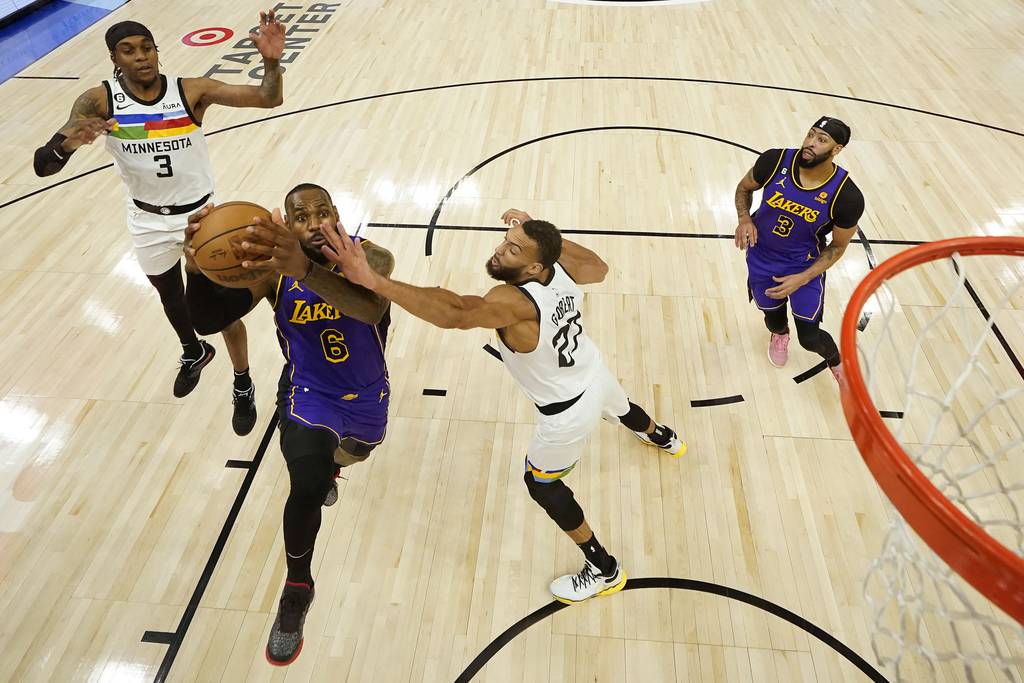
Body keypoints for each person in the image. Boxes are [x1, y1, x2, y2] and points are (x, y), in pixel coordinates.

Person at [319, 208, 685, 605]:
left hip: (566, 411)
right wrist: (538, 232)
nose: (499, 250)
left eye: (513, 249)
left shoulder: (513, 301)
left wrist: (374, 281)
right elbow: (599, 268)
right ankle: (662, 437)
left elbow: (458, 312)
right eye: (506, 240)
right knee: (623, 405)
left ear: (532, 267)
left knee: (541, 483)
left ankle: (603, 568)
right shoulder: (562, 269)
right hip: (592, 368)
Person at [32, 12, 286, 434]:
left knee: (217, 309)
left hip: (203, 220)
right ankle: (193, 352)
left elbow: (267, 98)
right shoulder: (99, 102)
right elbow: (43, 166)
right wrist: (66, 146)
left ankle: (242, 381)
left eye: (146, 47)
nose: (141, 57)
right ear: (114, 58)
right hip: (146, 218)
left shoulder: (191, 91)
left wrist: (272, 63)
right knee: (170, 296)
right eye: (128, 51)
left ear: (156, 50)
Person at [184, 183, 395, 665]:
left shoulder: (374, 258)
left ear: (338, 215)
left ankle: (335, 470)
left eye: (323, 213)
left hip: (366, 395)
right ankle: (297, 588)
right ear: (288, 224)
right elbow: (205, 318)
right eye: (301, 217)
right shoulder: (272, 274)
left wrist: (304, 267)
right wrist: (196, 267)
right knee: (305, 483)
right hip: (308, 393)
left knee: (351, 454)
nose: (314, 222)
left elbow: (368, 306)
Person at [733, 117, 865, 382]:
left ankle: (837, 364)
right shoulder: (774, 160)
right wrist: (744, 218)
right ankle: (780, 336)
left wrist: (803, 277)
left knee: (810, 337)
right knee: (774, 321)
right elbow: (744, 188)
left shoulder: (847, 196)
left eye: (821, 140)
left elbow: (838, 247)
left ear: (836, 149)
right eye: (810, 135)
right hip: (762, 259)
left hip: (803, 266)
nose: (810, 143)